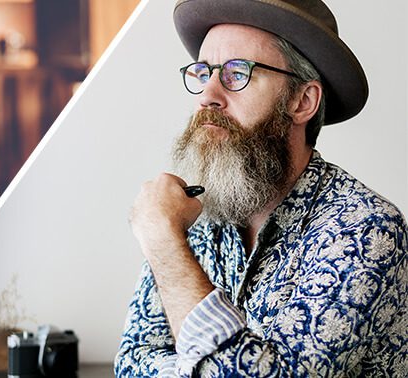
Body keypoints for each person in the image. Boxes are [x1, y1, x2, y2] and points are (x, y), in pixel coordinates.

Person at [116, 0, 407, 376]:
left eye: (238, 72)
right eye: (204, 73)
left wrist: (165, 244)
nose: (208, 95)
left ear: (302, 102)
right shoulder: (197, 218)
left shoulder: (365, 229)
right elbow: (134, 361)